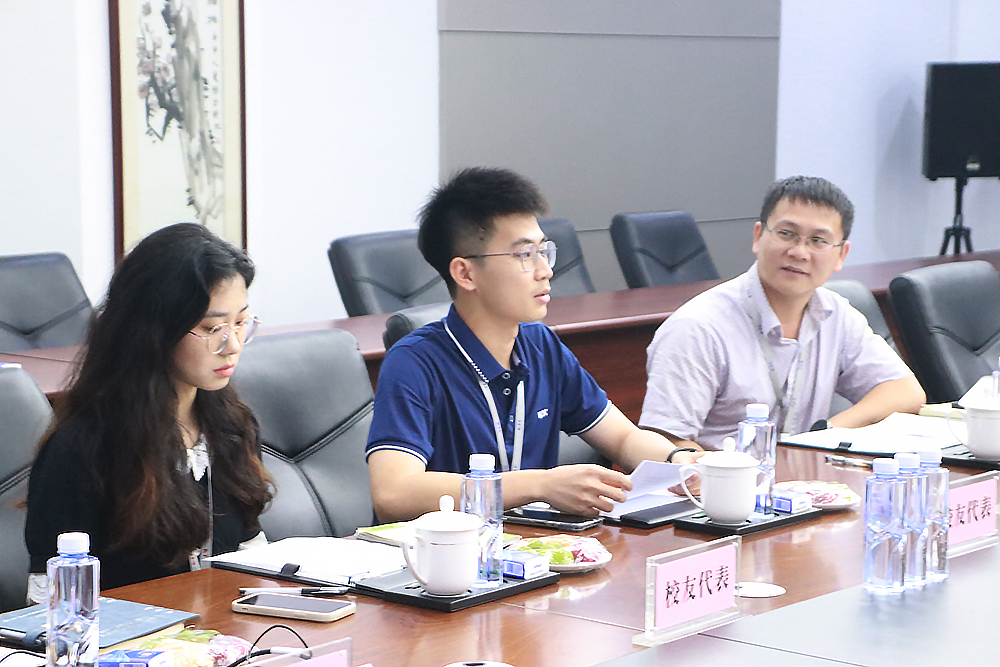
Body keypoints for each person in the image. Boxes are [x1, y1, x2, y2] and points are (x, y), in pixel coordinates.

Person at [366, 167, 704, 522]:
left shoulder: (540, 344)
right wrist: (540, 484)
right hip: (448, 552)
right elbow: (393, 493)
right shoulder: (414, 362)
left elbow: (623, 439)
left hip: (533, 547)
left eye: (544, 251)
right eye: (525, 255)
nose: (545, 270)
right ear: (465, 273)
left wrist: (678, 461)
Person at [24, 223, 272, 600]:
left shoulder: (232, 426)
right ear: (155, 330)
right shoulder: (83, 448)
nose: (233, 344)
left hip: (225, 628)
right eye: (212, 328)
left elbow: (251, 557)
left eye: (240, 323)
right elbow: (50, 602)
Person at [640, 176, 925, 451]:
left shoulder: (835, 313)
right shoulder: (698, 327)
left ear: (841, 255)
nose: (799, 252)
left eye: (818, 240)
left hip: (804, 479)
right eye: (787, 234)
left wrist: (823, 435)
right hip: (722, 481)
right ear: (758, 236)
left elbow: (905, 392)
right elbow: (664, 444)